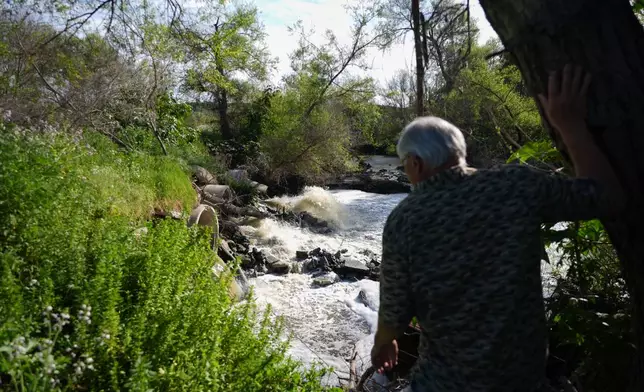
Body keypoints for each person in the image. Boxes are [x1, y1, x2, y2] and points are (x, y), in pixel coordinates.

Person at [370, 65, 626, 391]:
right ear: (459, 154)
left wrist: (384, 342)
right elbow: (605, 197)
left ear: (416, 164)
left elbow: (394, 311)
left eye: (403, 163)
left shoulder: (404, 220)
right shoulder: (515, 186)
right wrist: (571, 125)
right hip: (521, 380)